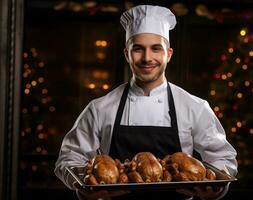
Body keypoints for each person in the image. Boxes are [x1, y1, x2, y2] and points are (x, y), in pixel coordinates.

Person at [54, 4, 238, 200]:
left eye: (156, 49)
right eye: (138, 49)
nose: (147, 58)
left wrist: (217, 188)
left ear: (168, 54)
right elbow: (69, 159)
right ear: (127, 54)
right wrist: (82, 187)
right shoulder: (100, 108)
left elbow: (223, 158)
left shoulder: (195, 107)